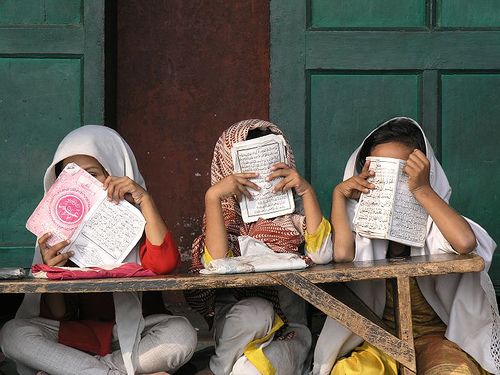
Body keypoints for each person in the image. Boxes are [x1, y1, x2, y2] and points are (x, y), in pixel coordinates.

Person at [1, 125, 197, 375]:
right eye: (73, 177)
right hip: (76, 339)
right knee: (12, 334)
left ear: (116, 172)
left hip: (136, 334)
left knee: (181, 334)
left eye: (93, 174)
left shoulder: (139, 222)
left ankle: (85, 371)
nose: (84, 185)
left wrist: (144, 200)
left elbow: (164, 264)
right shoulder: (57, 229)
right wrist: (50, 271)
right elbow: (60, 314)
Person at [313, 117, 499, 374]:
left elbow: (466, 243)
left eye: (404, 175)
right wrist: (339, 196)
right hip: (377, 340)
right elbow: (343, 254)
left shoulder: (438, 225)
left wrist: (421, 189)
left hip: (435, 339)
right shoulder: (361, 227)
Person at [186, 119, 333, 375]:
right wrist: (213, 196)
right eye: (246, 165)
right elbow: (218, 262)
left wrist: (306, 191)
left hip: (288, 331)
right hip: (237, 333)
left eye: (268, 161)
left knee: (248, 372)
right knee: (255, 311)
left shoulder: (293, 217)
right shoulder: (222, 218)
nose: (258, 175)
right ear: (226, 165)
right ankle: (219, 368)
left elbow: (322, 254)